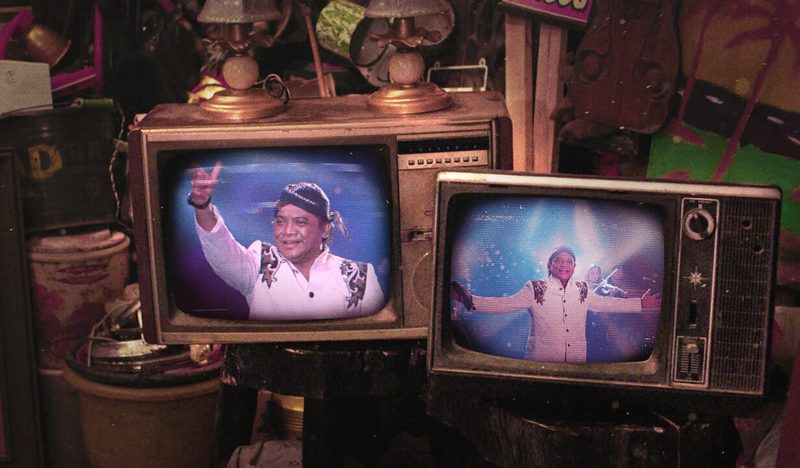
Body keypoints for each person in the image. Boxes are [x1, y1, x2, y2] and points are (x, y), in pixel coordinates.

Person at [189, 160, 385, 320]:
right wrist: (202, 206)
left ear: (325, 229)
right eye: (281, 221)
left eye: (300, 222)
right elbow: (221, 249)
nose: (287, 231)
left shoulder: (360, 277)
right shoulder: (260, 261)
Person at [451, 246, 661, 363]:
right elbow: (506, 304)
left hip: (576, 362)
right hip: (541, 362)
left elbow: (606, 304)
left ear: (574, 267)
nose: (564, 264)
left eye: (569, 261)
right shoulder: (535, 287)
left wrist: (640, 304)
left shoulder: (582, 288)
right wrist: (470, 300)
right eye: (559, 260)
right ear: (550, 265)